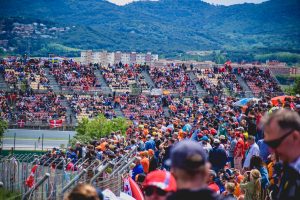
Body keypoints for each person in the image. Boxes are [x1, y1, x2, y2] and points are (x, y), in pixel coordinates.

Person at [262, 109, 300, 199]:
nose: (271, 150)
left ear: (295, 137)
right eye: (268, 143)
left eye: (274, 143)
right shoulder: (288, 168)